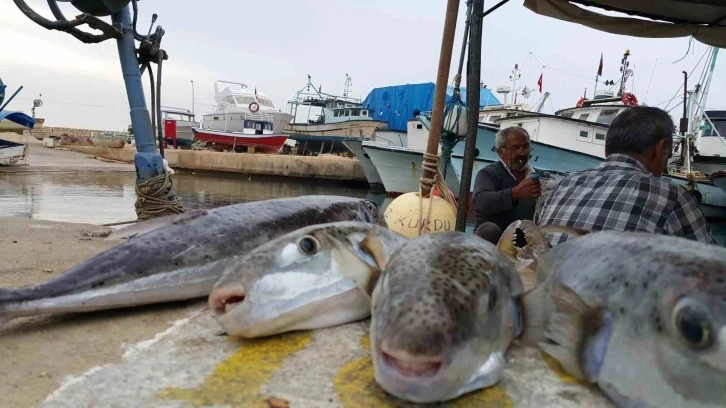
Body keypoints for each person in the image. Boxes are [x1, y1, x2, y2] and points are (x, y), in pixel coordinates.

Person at [538, 106, 716, 245]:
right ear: (661, 148)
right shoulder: (672, 196)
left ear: (607, 149)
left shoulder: (563, 186)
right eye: (669, 155)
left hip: (549, 288)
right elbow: (712, 270)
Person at [472, 126, 541, 244]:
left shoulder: (534, 176)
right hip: (493, 245)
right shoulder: (488, 173)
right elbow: (481, 201)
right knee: (489, 229)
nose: (522, 153)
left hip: (522, 244)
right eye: (515, 148)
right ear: (501, 152)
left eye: (526, 147)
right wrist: (515, 193)